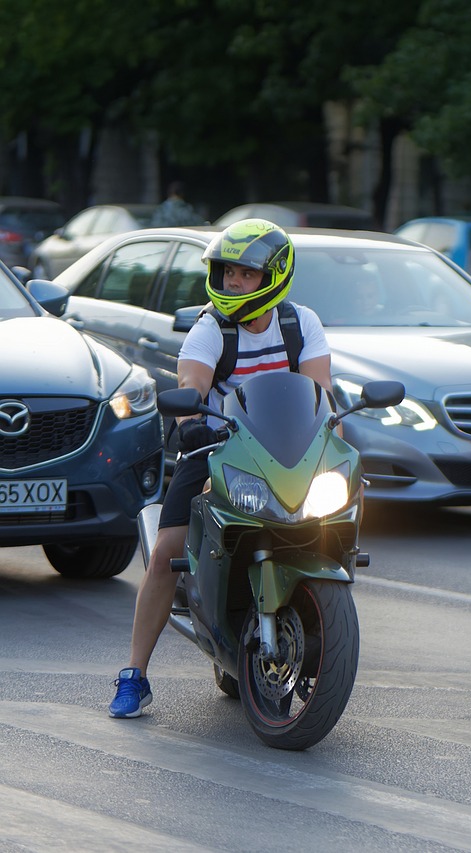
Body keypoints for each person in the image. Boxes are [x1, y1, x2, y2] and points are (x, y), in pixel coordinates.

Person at [109, 219, 334, 718]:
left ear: (274, 275)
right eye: (227, 272)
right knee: (168, 551)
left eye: (245, 273)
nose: (232, 282)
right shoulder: (211, 328)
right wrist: (192, 423)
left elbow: (321, 395)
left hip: (286, 453)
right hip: (218, 447)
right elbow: (192, 383)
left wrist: (333, 440)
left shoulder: (302, 325)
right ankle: (134, 675)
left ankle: (322, 631)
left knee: (333, 520)